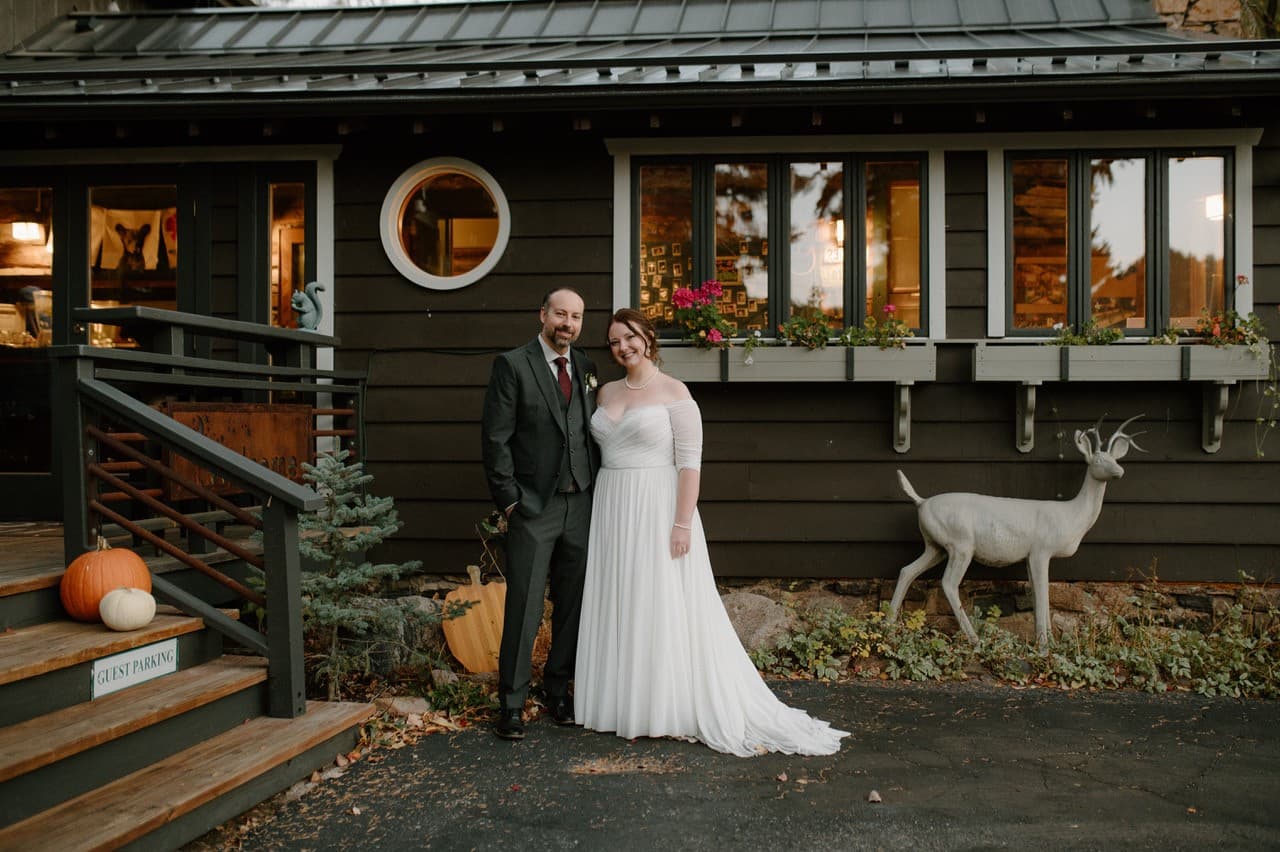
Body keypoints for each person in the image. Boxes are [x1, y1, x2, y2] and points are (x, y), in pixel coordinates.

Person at [574, 309, 849, 757]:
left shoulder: (675, 392)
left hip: (658, 506)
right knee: (620, 596)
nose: (622, 347)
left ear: (647, 337)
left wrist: (682, 523)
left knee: (658, 600)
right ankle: (619, 703)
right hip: (613, 506)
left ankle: (660, 707)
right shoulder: (605, 392)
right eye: (614, 342)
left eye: (629, 337)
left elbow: (690, 464)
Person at [481, 288, 600, 740]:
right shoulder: (513, 365)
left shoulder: (587, 367)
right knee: (525, 606)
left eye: (576, 316)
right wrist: (511, 501)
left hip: (582, 503)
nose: (568, 323)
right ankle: (511, 703)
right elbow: (496, 440)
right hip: (534, 507)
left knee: (572, 605)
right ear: (543, 314)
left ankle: (558, 692)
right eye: (561, 314)